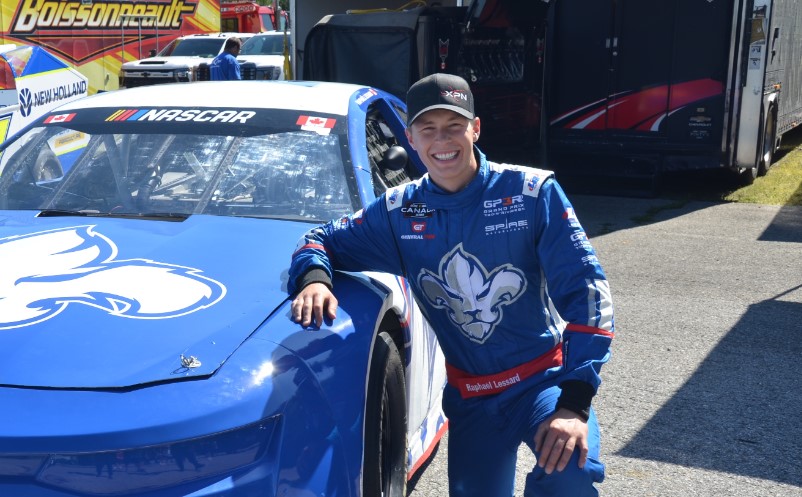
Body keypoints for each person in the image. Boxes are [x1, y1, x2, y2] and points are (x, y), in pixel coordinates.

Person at [288, 73, 614, 497]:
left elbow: (590, 295)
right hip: (473, 396)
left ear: (475, 128)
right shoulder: (398, 212)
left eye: (454, 126)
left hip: (543, 383)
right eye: (428, 129)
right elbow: (317, 240)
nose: (442, 140)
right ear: (411, 138)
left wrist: (573, 403)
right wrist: (315, 280)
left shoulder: (532, 192)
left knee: (569, 471)